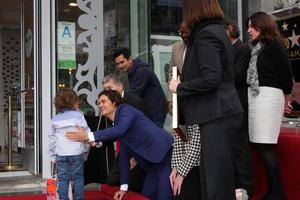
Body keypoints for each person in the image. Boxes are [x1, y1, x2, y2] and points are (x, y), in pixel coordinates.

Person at [169, 0, 243, 199]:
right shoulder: (213, 31)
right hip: (217, 114)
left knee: (216, 184)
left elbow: (211, 78)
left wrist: (180, 86)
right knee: (216, 181)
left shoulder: (206, 34)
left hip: (216, 115)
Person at [66, 90, 174, 200]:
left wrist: (88, 136)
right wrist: (123, 188)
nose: (100, 105)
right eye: (98, 103)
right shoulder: (118, 124)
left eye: (103, 101)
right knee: (145, 195)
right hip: (151, 164)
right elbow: (123, 157)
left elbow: (119, 130)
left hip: (162, 152)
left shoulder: (125, 110)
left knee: (164, 194)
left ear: (114, 102)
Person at [246, 11, 293, 200]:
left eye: (251, 26)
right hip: (256, 98)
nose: (248, 30)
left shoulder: (274, 45)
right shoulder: (257, 48)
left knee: (265, 146)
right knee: (260, 145)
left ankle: (277, 192)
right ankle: (275, 190)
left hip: (269, 98)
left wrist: (286, 101)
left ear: (262, 25)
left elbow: (286, 75)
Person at [101, 74, 147, 192]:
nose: (107, 92)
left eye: (110, 88)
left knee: (136, 183)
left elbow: (145, 129)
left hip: (139, 148)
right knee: (112, 180)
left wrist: (137, 157)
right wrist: (99, 142)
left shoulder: (135, 102)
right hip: (123, 149)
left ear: (120, 86)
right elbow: (113, 131)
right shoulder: (108, 104)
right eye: (105, 89)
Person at [224, 20, 253, 200]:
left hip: (239, 105)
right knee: (231, 148)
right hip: (228, 107)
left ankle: (246, 187)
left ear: (231, 30)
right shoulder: (228, 50)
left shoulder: (243, 49)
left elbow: (239, 75)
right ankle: (235, 186)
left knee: (240, 148)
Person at [49, 88, 91, 200]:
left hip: (61, 153)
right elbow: (87, 132)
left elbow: (52, 139)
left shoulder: (55, 119)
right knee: (78, 178)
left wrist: (52, 156)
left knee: (63, 179)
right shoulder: (79, 116)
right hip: (77, 152)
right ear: (74, 101)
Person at [112, 47, 167, 128]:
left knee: (154, 138)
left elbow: (133, 94)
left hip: (154, 112)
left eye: (122, 62)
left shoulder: (141, 71)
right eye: (118, 63)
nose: (120, 66)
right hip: (149, 111)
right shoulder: (134, 70)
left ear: (130, 59)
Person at [167, 22, 190, 113]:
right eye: (181, 33)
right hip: (180, 98)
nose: (183, 36)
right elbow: (172, 74)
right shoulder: (176, 47)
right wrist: (170, 99)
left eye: (186, 34)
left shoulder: (199, 46)